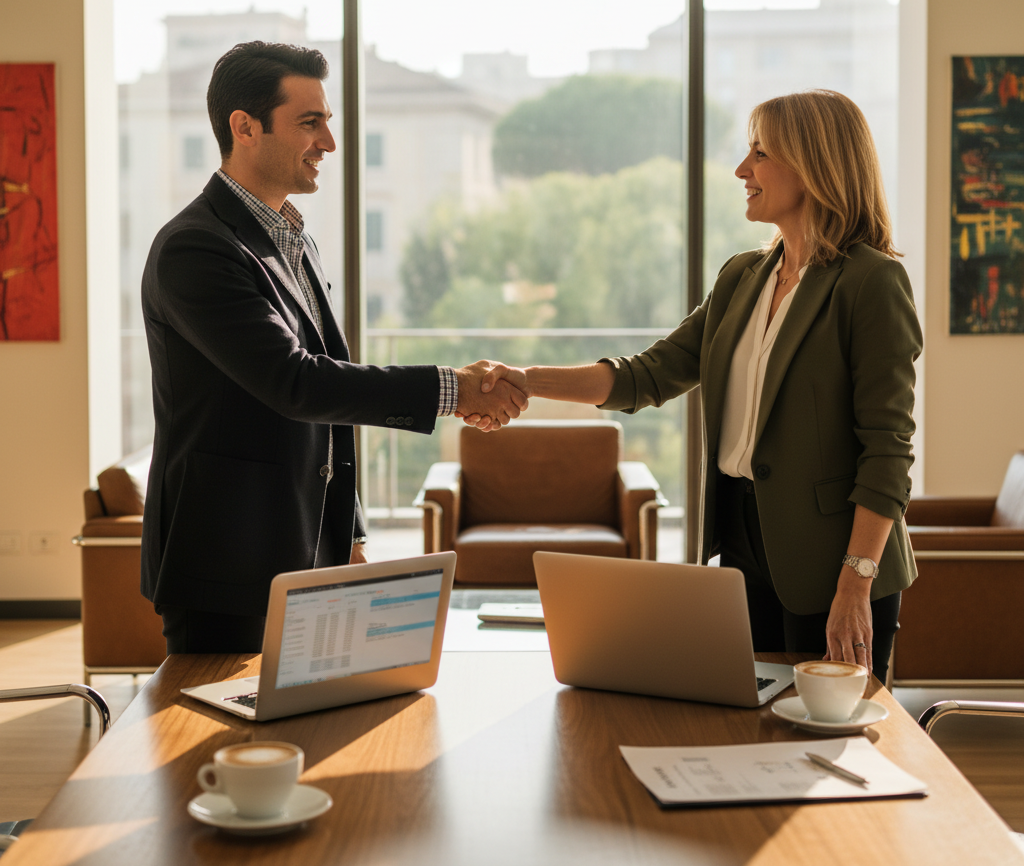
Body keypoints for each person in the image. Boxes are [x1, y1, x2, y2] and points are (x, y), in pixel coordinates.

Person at [467, 89, 921, 682]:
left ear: (813, 164)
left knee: (831, 750)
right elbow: (647, 375)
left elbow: (887, 448)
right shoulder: (743, 277)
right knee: (749, 726)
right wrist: (527, 380)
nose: (742, 170)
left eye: (760, 153)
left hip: (833, 560)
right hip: (741, 545)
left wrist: (856, 581)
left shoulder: (871, 282)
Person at [141, 41, 525, 654]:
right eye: (309, 122)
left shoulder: (294, 237)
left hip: (308, 549)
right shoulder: (196, 250)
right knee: (216, 747)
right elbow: (298, 384)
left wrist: (348, 530)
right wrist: (452, 389)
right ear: (245, 127)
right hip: (228, 566)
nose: (330, 142)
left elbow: (329, 391)